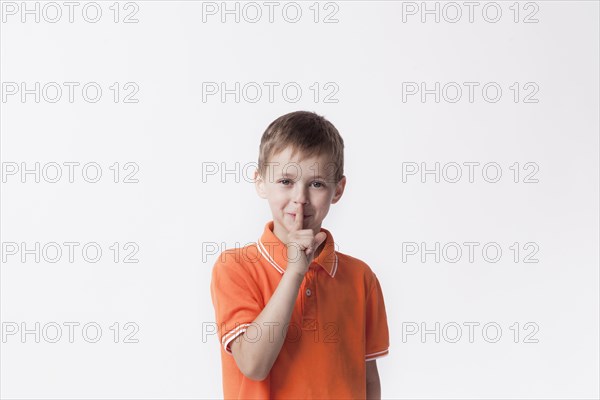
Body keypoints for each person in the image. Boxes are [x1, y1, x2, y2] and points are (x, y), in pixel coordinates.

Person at [210, 110, 390, 399]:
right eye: (286, 181)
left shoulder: (361, 278)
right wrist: (295, 272)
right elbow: (253, 365)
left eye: (316, 183)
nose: (300, 198)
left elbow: (368, 379)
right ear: (260, 182)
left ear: (338, 190)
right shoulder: (235, 267)